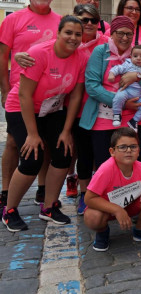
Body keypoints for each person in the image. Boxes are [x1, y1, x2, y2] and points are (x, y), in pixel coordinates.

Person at [2, 15, 88, 232]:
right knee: (32, 158)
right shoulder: (39, 53)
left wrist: (67, 131)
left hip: (51, 110)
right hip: (22, 109)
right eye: (68, 32)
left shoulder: (80, 57)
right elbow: (24, 95)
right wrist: (32, 134)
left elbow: (76, 96)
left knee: (63, 153)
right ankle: (9, 209)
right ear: (58, 33)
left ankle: (49, 207)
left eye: (78, 34)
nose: (73, 38)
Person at [0, 0, 61, 212]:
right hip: (20, 93)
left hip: (50, 95)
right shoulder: (14, 19)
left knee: (44, 143)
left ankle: (43, 188)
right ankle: (6, 191)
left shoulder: (59, 21)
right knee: (15, 142)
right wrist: (4, 89)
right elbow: (3, 56)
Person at [79, 16, 141, 169]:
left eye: (129, 34)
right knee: (106, 167)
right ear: (112, 33)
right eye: (120, 33)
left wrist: (138, 76)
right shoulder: (101, 51)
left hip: (134, 118)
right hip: (104, 118)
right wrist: (123, 103)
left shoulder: (138, 53)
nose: (125, 38)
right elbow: (92, 86)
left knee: (136, 164)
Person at [83, 128, 141, 251]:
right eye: (122, 147)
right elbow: (88, 199)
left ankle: (140, 230)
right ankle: (102, 232)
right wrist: (117, 210)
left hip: (131, 205)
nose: (128, 151)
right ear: (112, 151)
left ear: (138, 150)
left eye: (133, 147)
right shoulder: (106, 170)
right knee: (92, 217)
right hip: (106, 208)